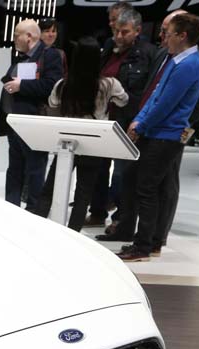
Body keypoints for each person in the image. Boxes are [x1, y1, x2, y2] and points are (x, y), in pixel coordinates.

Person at [116, 13, 199, 262]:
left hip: (166, 135)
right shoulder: (177, 60)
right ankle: (150, 242)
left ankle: (143, 246)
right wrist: (139, 120)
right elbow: (155, 95)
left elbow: (166, 103)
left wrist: (141, 125)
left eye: (169, 33)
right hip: (156, 131)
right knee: (144, 186)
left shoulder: (190, 64)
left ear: (182, 35)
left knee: (147, 189)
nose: (164, 37)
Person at [32, 37, 128, 231]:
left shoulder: (63, 85)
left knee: (50, 188)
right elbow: (123, 101)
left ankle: (37, 228)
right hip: (94, 143)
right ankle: (72, 234)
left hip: (67, 140)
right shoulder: (109, 85)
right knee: (83, 194)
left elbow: (52, 103)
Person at [86, 7, 154, 227]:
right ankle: (97, 212)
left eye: (125, 32)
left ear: (137, 31)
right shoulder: (108, 47)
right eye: (116, 31)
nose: (119, 36)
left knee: (122, 172)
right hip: (103, 117)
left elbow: (146, 91)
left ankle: (120, 219)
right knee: (98, 169)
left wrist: (139, 119)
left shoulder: (147, 53)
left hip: (127, 119)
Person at [0, 19, 63, 211]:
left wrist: (22, 86)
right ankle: (11, 210)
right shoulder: (21, 57)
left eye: (16, 35)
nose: (14, 39)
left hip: (34, 124)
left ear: (29, 36)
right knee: (14, 171)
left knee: (35, 171)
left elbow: (52, 85)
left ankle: (34, 214)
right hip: (14, 124)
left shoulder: (50, 56)